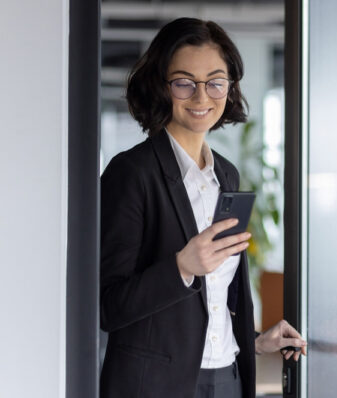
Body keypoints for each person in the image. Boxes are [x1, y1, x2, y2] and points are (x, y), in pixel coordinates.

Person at [99, 17, 306, 398]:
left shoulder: (226, 175)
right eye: (184, 83)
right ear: (160, 86)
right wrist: (181, 267)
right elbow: (108, 306)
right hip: (157, 385)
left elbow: (215, 299)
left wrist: (255, 341)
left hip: (227, 376)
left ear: (229, 87)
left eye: (215, 82)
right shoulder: (131, 173)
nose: (201, 97)